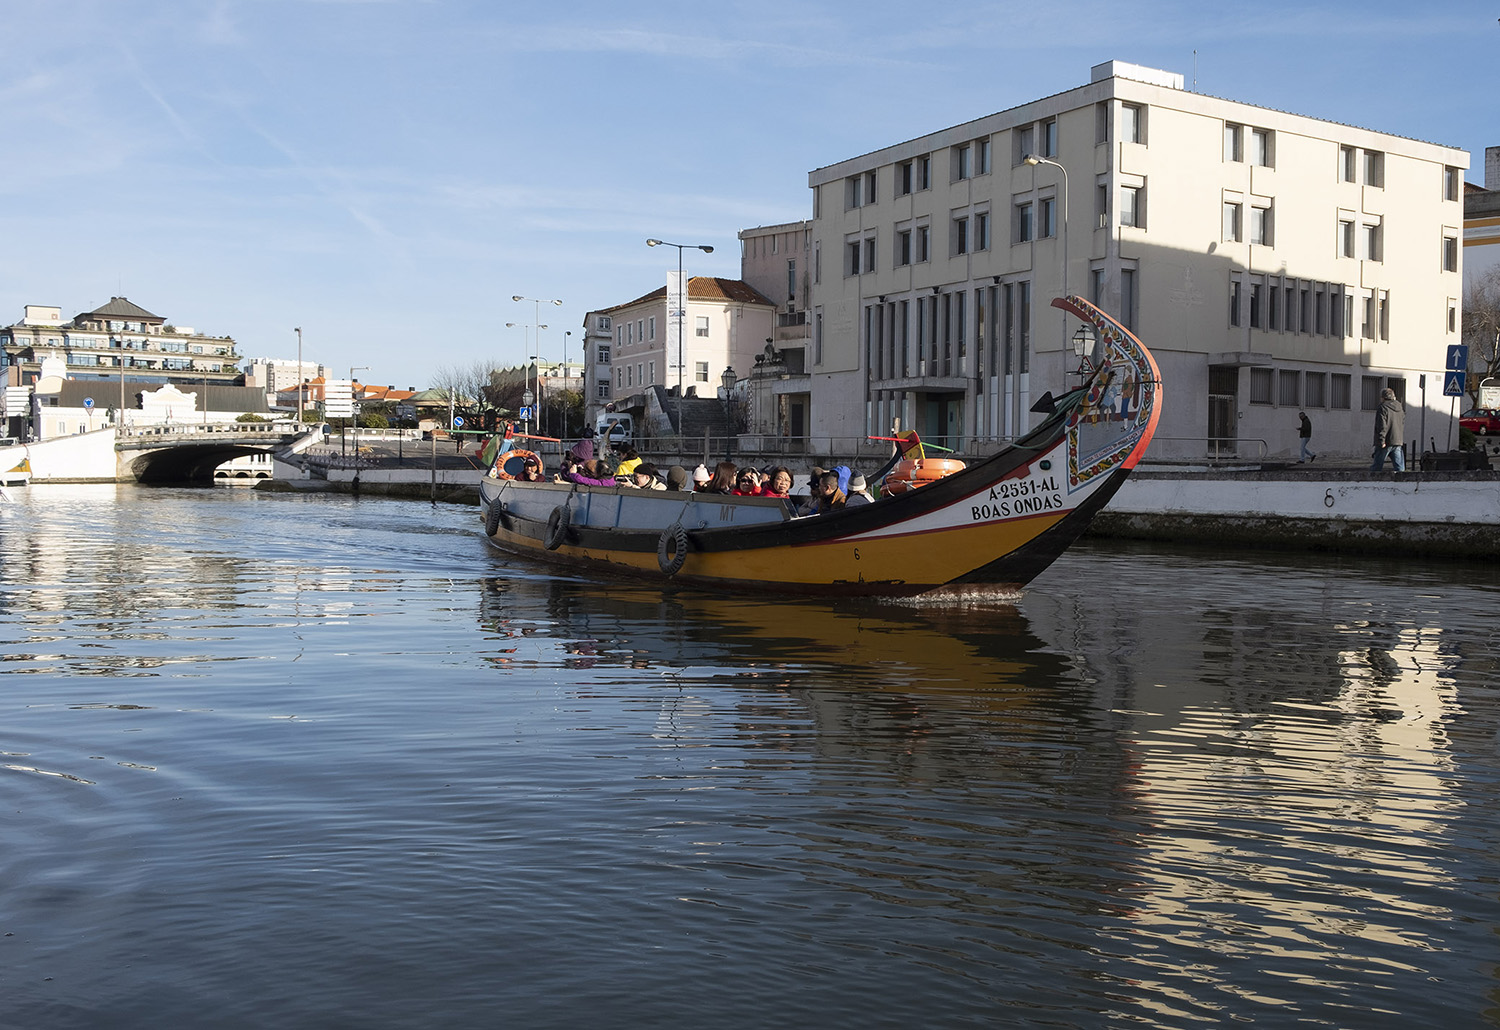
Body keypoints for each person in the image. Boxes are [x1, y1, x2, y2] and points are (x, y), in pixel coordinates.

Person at [1371, 388, 1406, 472]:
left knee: (1377, 467)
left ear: (1383, 397)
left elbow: (1382, 425)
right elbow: (1402, 423)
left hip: (1386, 441)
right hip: (1397, 440)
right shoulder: (1400, 408)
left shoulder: (1383, 407)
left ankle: (1373, 480)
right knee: (1399, 468)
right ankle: (1402, 480)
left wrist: (1381, 440)